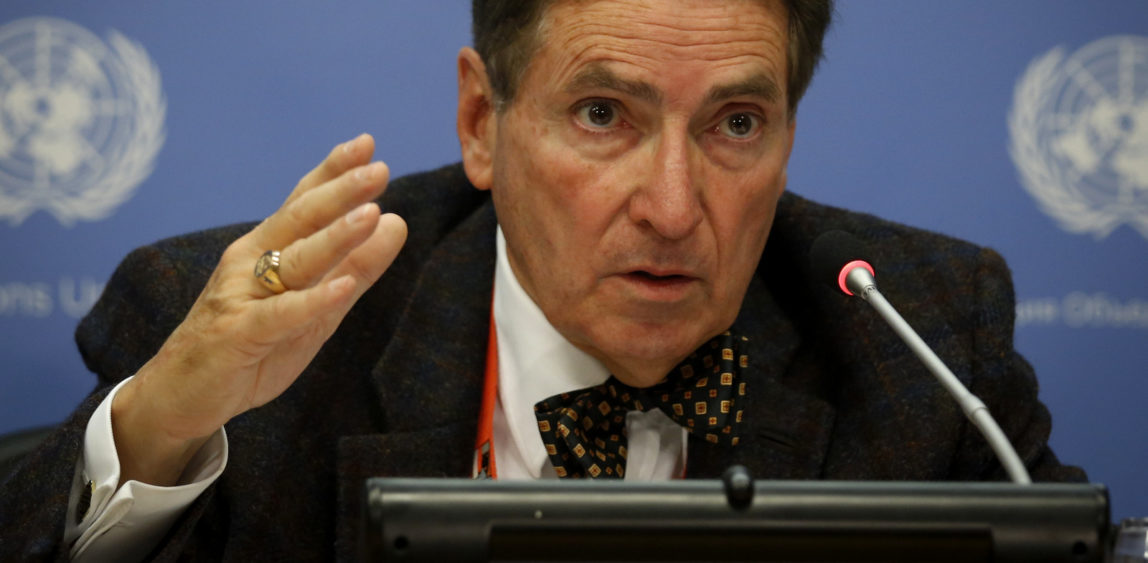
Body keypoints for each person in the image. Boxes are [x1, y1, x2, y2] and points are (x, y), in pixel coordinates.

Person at [0, 0, 1085, 561]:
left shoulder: (918, 329)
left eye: (735, 123)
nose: (670, 205)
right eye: (602, 114)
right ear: (483, 121)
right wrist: (159, 428)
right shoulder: (277, 340)